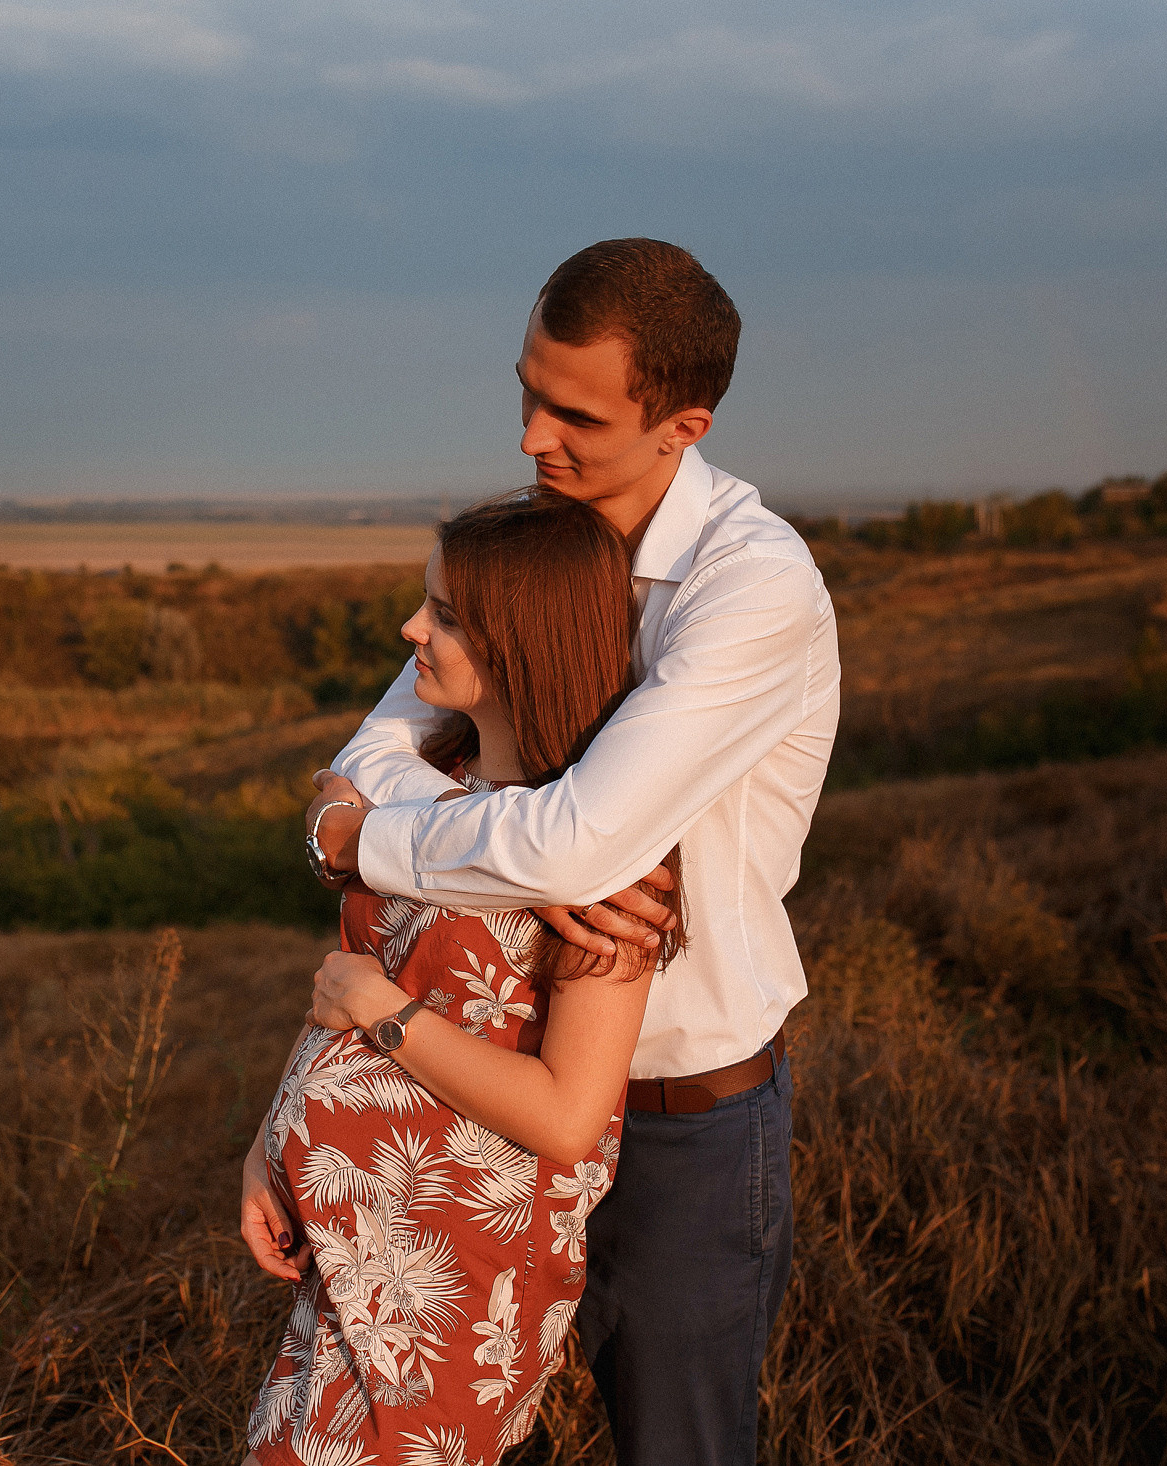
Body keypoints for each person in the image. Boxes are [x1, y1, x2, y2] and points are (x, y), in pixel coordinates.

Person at [284, 239, 841, 1466]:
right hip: (466, 1100)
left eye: (575, 412)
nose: (534, 436)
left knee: (674, 1447)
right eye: (526, 391)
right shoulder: (532, 551)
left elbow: (575, 835)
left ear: (680, 424)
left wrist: (362, 839)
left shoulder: (750, 586)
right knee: (464, 1442)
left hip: (673, 1110)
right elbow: (367, 755)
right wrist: (346, 826)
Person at [238, 491, 685, 1466]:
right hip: (343, 1245)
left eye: (443, 613)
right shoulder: (423, 778)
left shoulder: (609, 867)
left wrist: (386, 1014)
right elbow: (345, 985)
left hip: (446, 1289)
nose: (411, 630)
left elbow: (569, 1115)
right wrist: (273, 1144)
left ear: (519, 643)